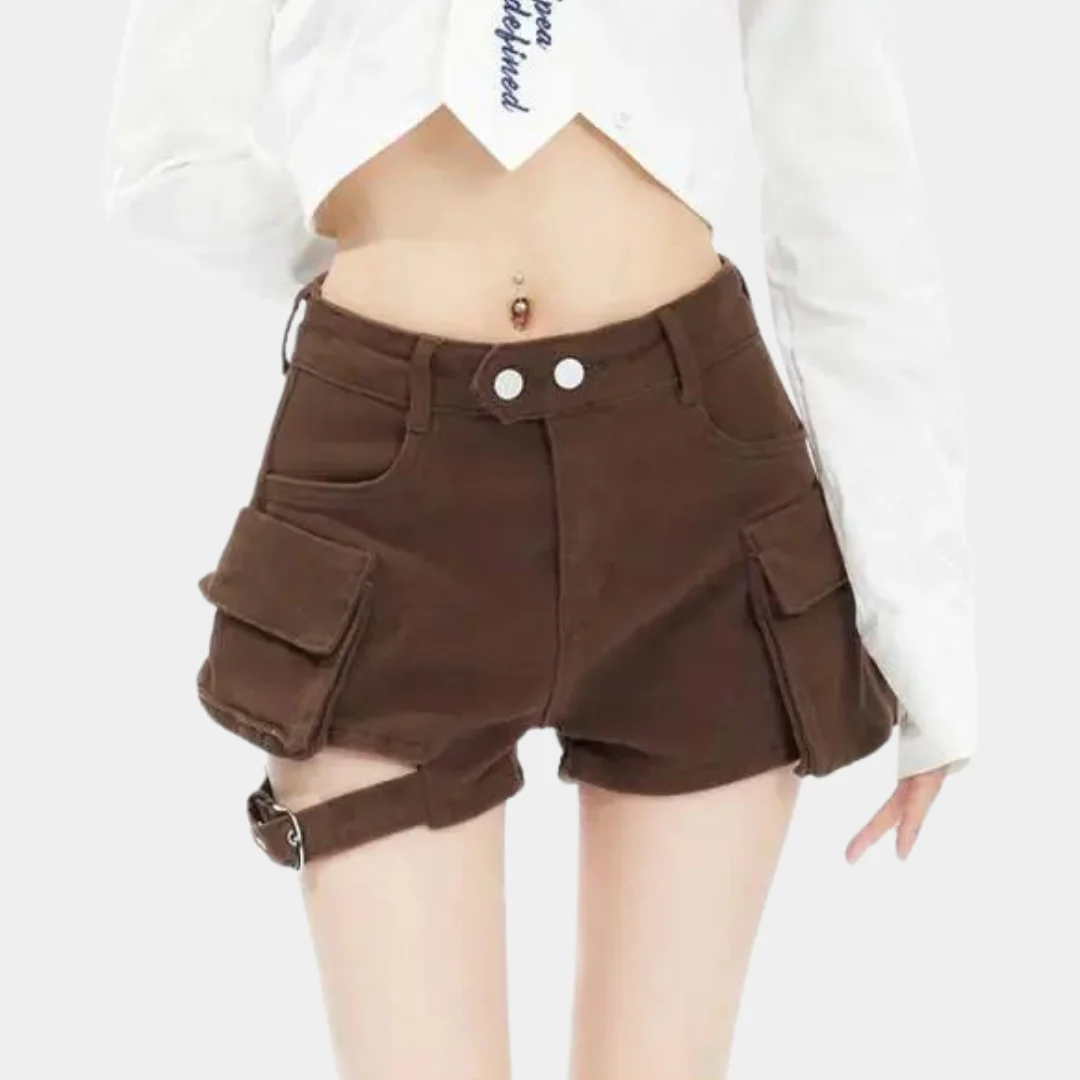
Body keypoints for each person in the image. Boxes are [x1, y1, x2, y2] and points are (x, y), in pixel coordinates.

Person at [102, 1, 977, 1077]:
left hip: (693, 483)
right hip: (387, 502)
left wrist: (923, 631)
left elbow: (847, 192)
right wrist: (368, 298)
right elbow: (169, 153)